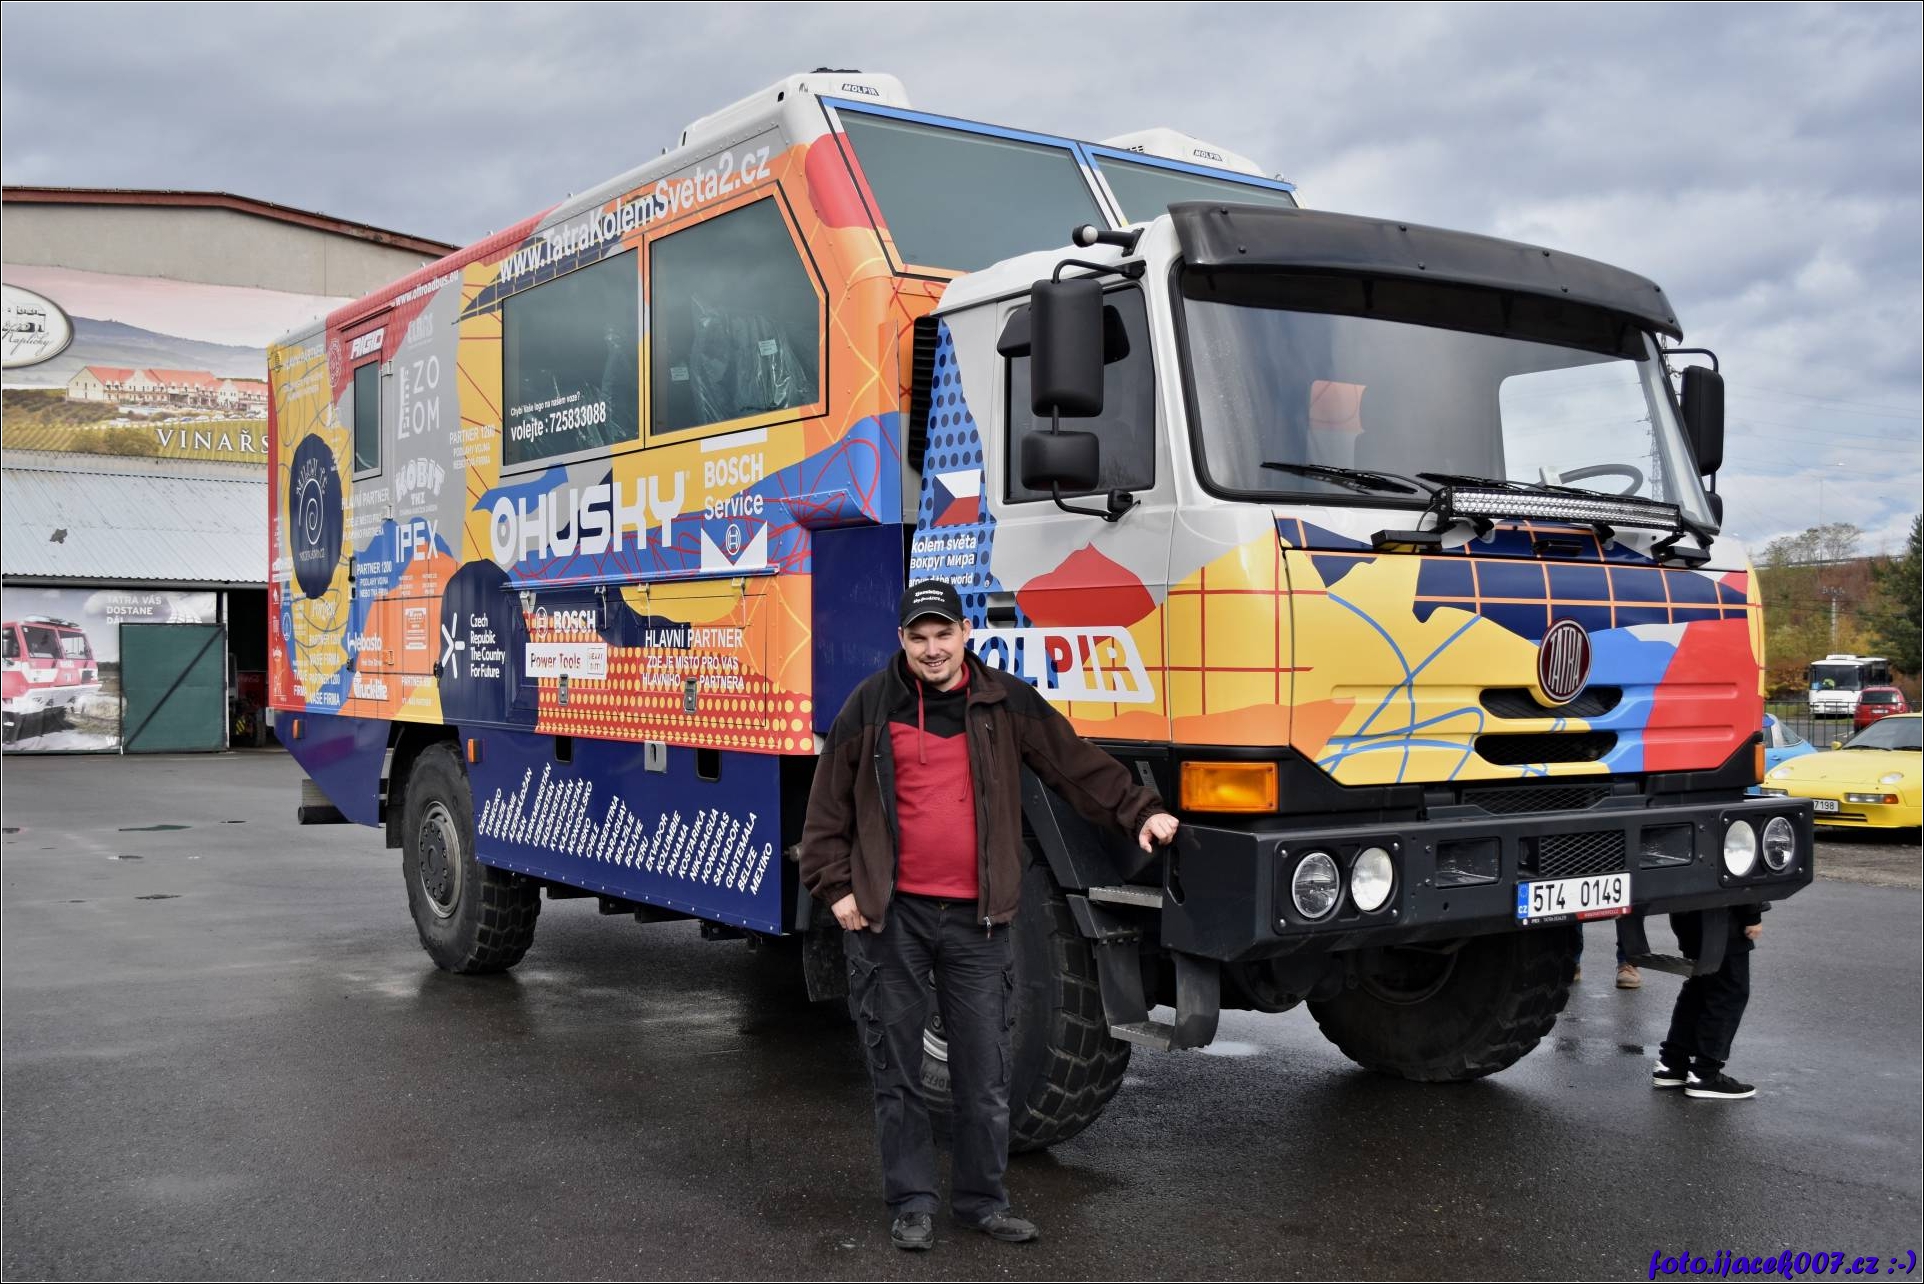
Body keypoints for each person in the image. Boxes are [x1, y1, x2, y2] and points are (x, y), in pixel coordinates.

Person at [799, 580, 1179, 1252]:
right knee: (897, 1071)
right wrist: (836, 890)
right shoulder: (870, 705)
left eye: (943, 634)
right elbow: (827, 807)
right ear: (902, 641)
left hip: (978, 921)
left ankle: (981, 1202)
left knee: (985, 1072)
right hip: (894, 920)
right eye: (919, 637)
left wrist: (1139, 811)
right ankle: (912, 1202)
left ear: (965, 634)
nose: (932, 649)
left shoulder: (1005, 703)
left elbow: (1075, 766)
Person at [1652, 904, 1766, 1100]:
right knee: (1728, 990)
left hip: (1687, 913)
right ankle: (1704, 1074)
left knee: (1699, 987)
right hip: (1724, 915)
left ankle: (1673, 1063)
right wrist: (1752, 915)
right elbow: (1740, 883)